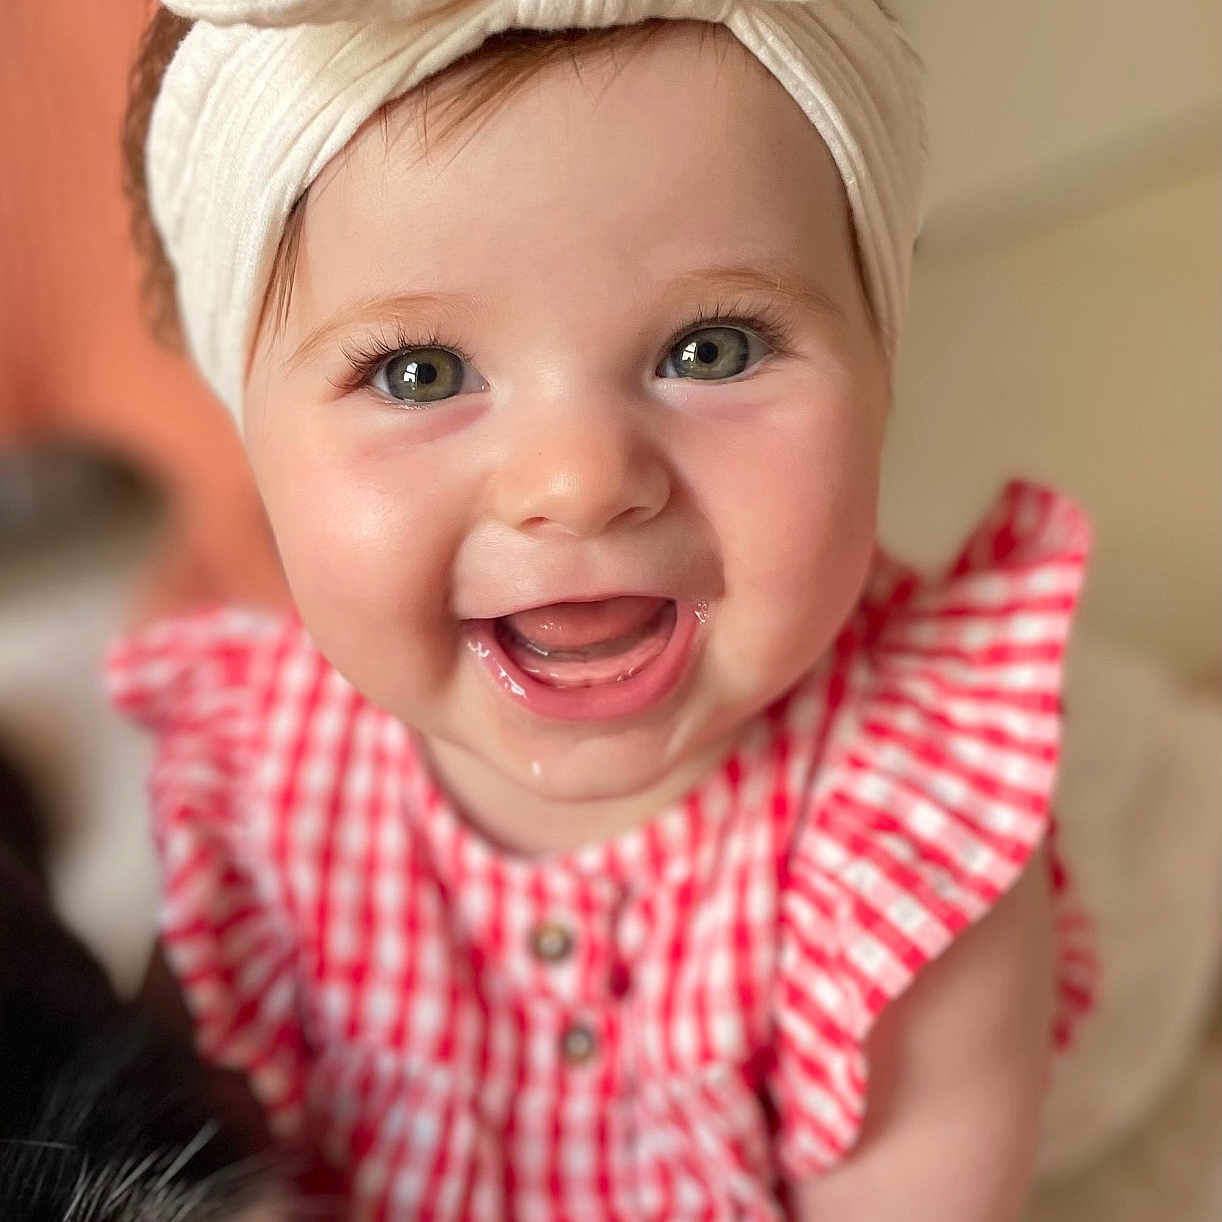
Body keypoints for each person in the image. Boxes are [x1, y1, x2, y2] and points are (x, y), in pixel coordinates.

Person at [109, 1, 1096, 1216]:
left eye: (714, 348)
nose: (577, 479)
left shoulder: (914, 833)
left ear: (880, 364)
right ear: (250, 436)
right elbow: (191, 1168)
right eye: (420, 373)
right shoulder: (254, 792)